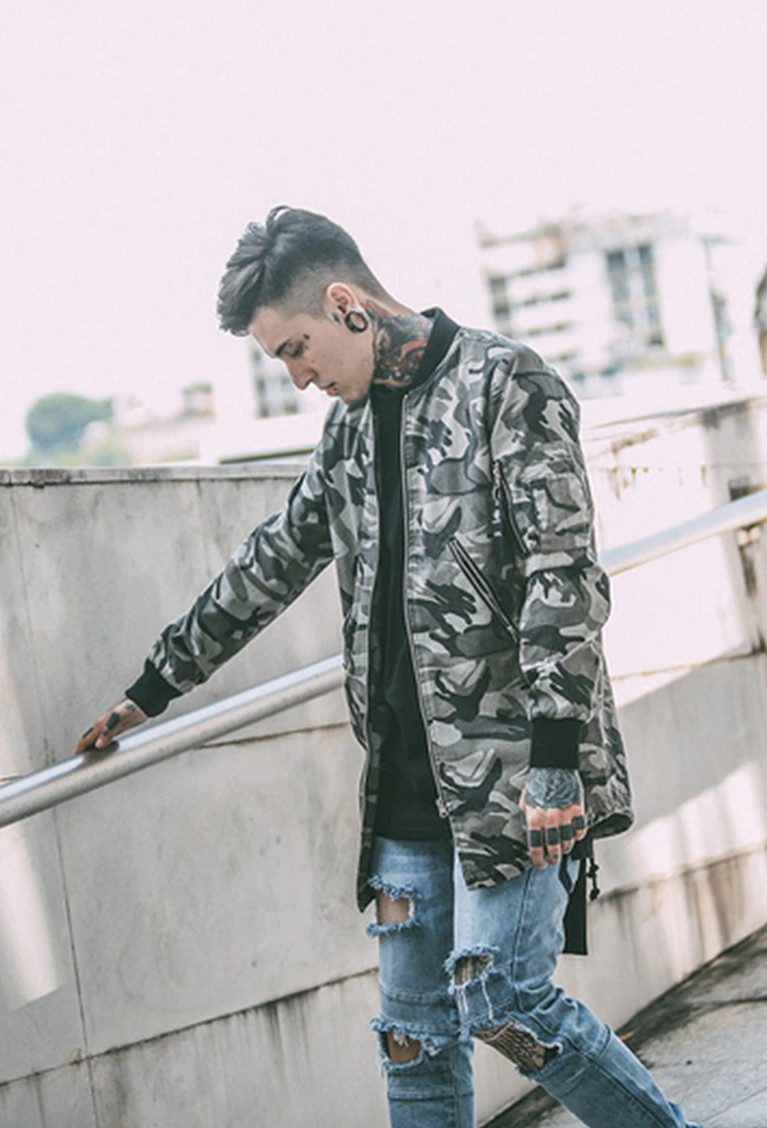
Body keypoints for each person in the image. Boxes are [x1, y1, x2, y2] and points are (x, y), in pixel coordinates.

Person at [77, 207, 700, 1128]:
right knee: (411, 1040)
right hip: (404, 790)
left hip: (513, 773)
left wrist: (555, 760)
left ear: (347, 304)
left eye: (297, 349)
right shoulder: (347, 431)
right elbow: (270, 563)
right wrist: (151, 689)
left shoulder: (505, 382)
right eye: (280, 362)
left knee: (503, 1000)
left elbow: (561, 576)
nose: (299, 378)